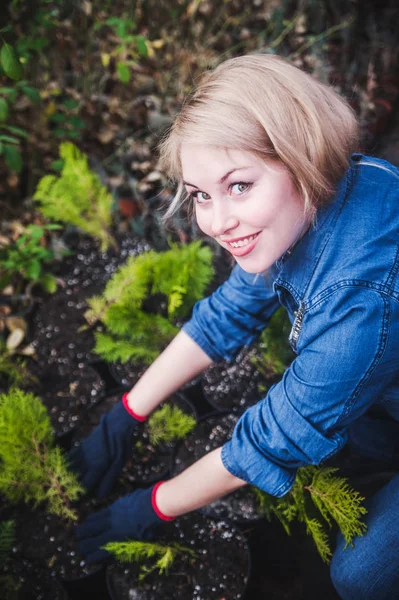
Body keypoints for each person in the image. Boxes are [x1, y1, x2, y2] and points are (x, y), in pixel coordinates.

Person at [70, 54, 399, 598]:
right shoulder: (321, 195)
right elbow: (230, 312)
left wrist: (150, 506)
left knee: (360, 576)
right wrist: (125, 414)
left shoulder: (359, 296)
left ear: (301, 155)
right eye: (201, 194)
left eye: (239, 186)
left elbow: (271, 440)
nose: (217, 222)